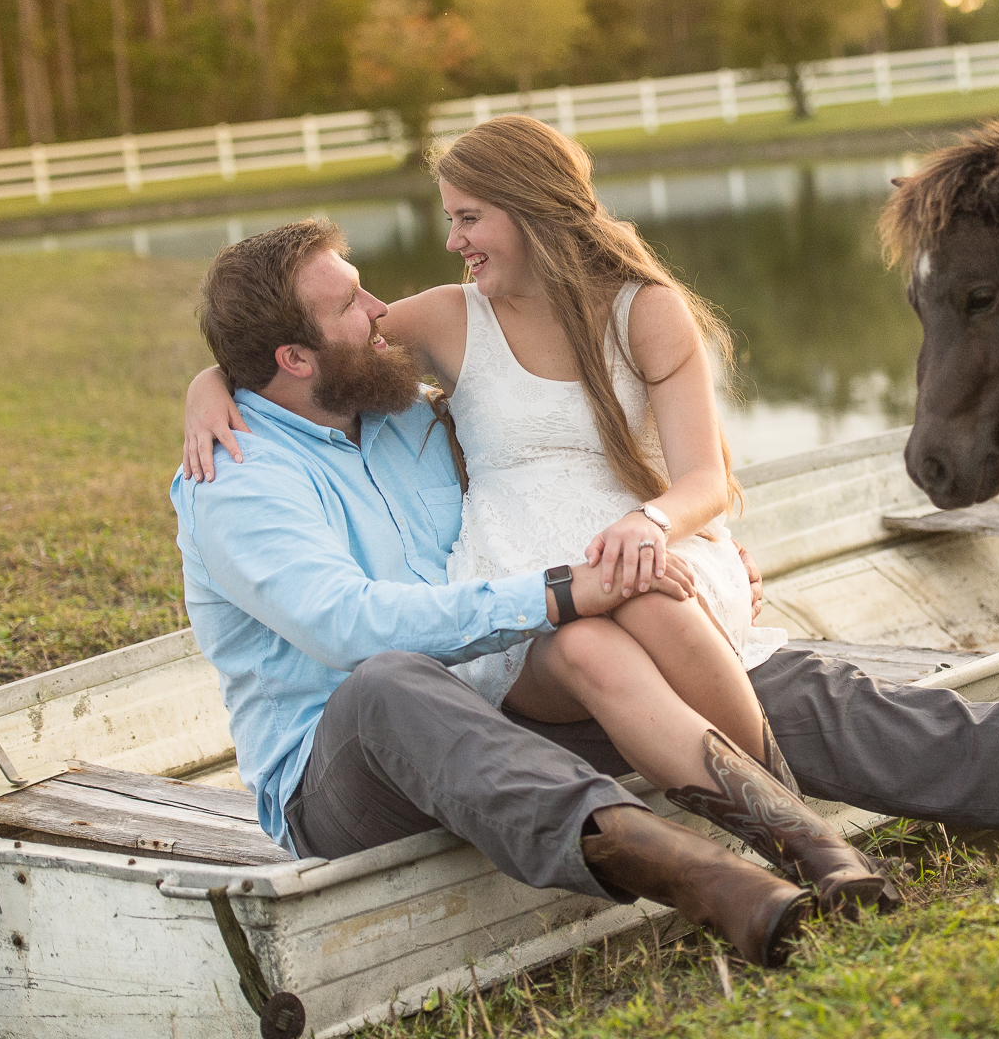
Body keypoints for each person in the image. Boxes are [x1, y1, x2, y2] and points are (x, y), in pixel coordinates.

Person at [186, 116, 885, 917]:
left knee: (604, 635)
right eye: (352, 299)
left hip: (491, 685)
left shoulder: (392, 410)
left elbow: (697, 475)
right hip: (345, 760)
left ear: (529, 211)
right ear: (292, 357)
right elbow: (350, 627)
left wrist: (650, 538)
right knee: (395, 682)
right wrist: (214, 383)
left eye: (466, 217)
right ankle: (709, 875)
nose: (380, 310)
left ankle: (807, 847)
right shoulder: (234, 472)